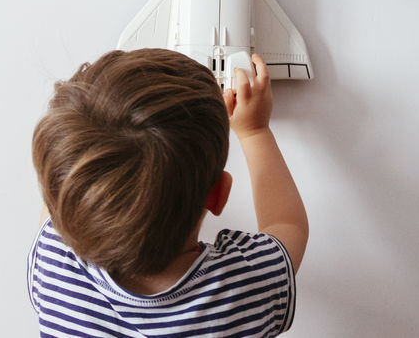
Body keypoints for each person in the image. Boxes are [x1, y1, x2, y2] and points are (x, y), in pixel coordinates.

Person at [29, 48, 307, 336]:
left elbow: (62, 188)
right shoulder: (243, 288)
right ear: (218, 195)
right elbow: (288, 225)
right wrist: (254, 132)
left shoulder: (55, 266)